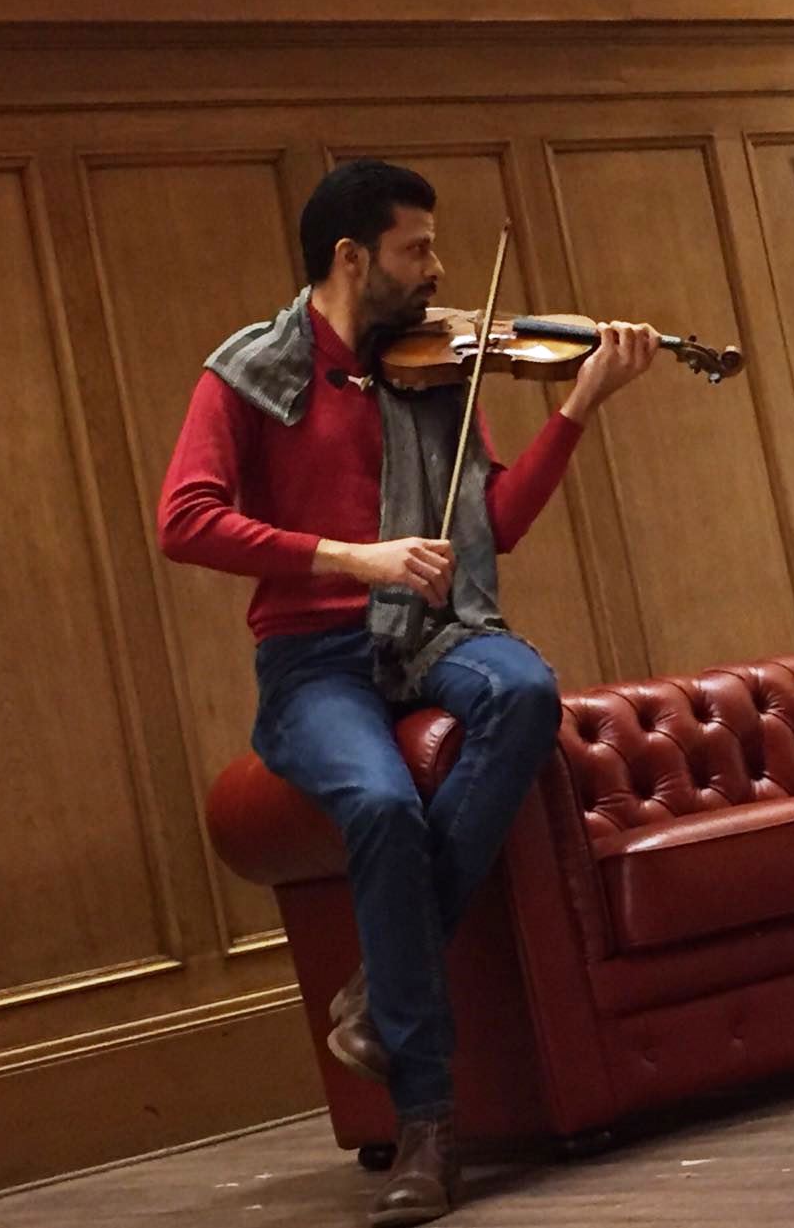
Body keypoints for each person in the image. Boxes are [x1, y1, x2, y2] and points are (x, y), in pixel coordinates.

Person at [156, 159, 657, 1226]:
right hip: (313, 661)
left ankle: (384, 989)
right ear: (351, 258)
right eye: (415, 248)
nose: (437, 269)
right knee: (381, 804)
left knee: (523, 688)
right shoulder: (249, 372)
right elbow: (183, 521)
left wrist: (578, 404)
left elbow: (495, 527)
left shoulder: (434, 371)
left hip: (434, 637)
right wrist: (352, 556)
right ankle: (427, 1122)